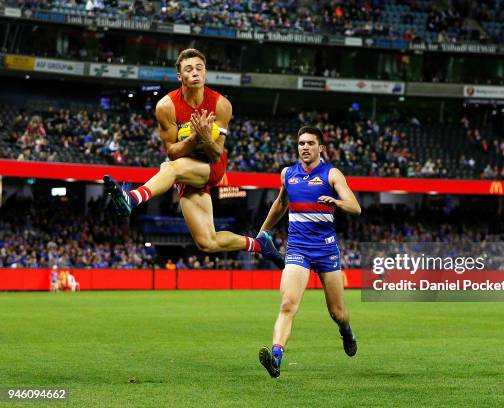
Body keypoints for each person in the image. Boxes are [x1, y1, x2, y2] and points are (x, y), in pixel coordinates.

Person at [103, 48, 283, 268]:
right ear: (180, 76)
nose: (195, 72)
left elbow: (216, 153)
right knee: (207, 242)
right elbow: (171, 150)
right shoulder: (166, 107)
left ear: (206, 72)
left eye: (200, 68)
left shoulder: (221, 105)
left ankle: (131, 198)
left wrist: (205, 138)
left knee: (169, 168)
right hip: (188, 170)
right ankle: (260, 245)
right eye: (189, 69)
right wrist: (194, 139)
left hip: (212, 166)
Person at [257, 126, 361, 378]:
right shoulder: (287, 174)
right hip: (297, 249)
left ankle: (346, 331)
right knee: (287, 304)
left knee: (337, 313)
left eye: (310, 143)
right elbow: (281, 203)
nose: (305, 147)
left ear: (320, 148)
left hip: (326, 251)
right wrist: (262, 233)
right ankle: (276, 357)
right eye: (301, 143)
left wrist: (336, 202)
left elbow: (355, 207)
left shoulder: (331, 174)